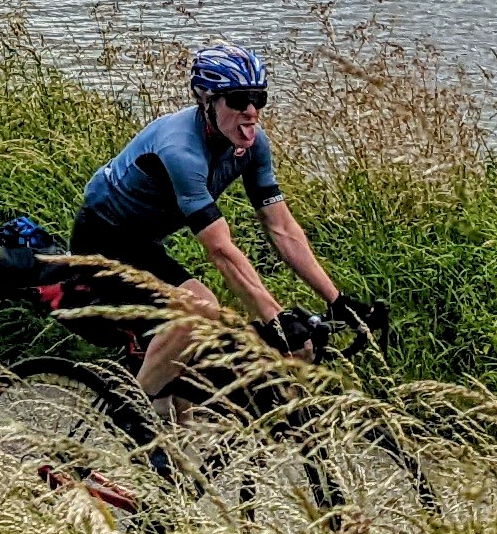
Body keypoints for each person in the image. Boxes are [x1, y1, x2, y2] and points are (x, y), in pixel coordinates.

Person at [69, 44, 343, 400]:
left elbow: (282, 228)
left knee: (207, 358)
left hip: (142, 243)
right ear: (207, 101)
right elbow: (220, 250)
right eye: (238, 100)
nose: (251, 112)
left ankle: (178, 418)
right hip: (102, 237)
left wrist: (337, 299)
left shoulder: (253, 144)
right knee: (198, 310)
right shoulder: (181, 150)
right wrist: (274, 317)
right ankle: (131, 410)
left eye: (259, 99)